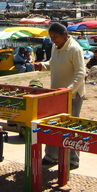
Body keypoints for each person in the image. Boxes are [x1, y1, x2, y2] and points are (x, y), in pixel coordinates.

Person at [34, 22, 85, 170]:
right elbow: (53, 64)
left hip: (73, 95)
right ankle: (51, 156)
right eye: (51, 38)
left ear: (64, 35)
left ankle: (73, 160)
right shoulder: (56, 48)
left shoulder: (75, 49)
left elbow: (80, 73)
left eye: (55, 37)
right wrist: (42, 66)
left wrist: (69, 90)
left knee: (70, 127)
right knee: (53, 125)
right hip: (56, 94)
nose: (53, 40)